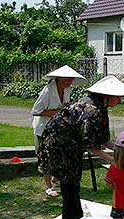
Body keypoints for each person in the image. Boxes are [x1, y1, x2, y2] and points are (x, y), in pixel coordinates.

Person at [38, 75, 124, 219]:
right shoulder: (91, 111)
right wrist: (118, 161)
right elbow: (92, 146)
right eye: (119, 97)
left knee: (72, 183)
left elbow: (104, 140)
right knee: (70, 184)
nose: (120, 100)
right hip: (60, 146)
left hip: (69, 145)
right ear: (107, 95)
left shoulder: (100, 107)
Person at [32, 65, 87, 197]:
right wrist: (59, 112)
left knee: (59, 154)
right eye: (66, 79)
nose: (69, 82)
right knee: (45, 156)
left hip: (59, 128)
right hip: (43, 128)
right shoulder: (47, 91)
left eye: (71, 79)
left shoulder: (67, 90)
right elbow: (36, 111)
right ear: (58, 78)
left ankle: (55, 178)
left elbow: (64, 106)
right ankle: (49, 186)